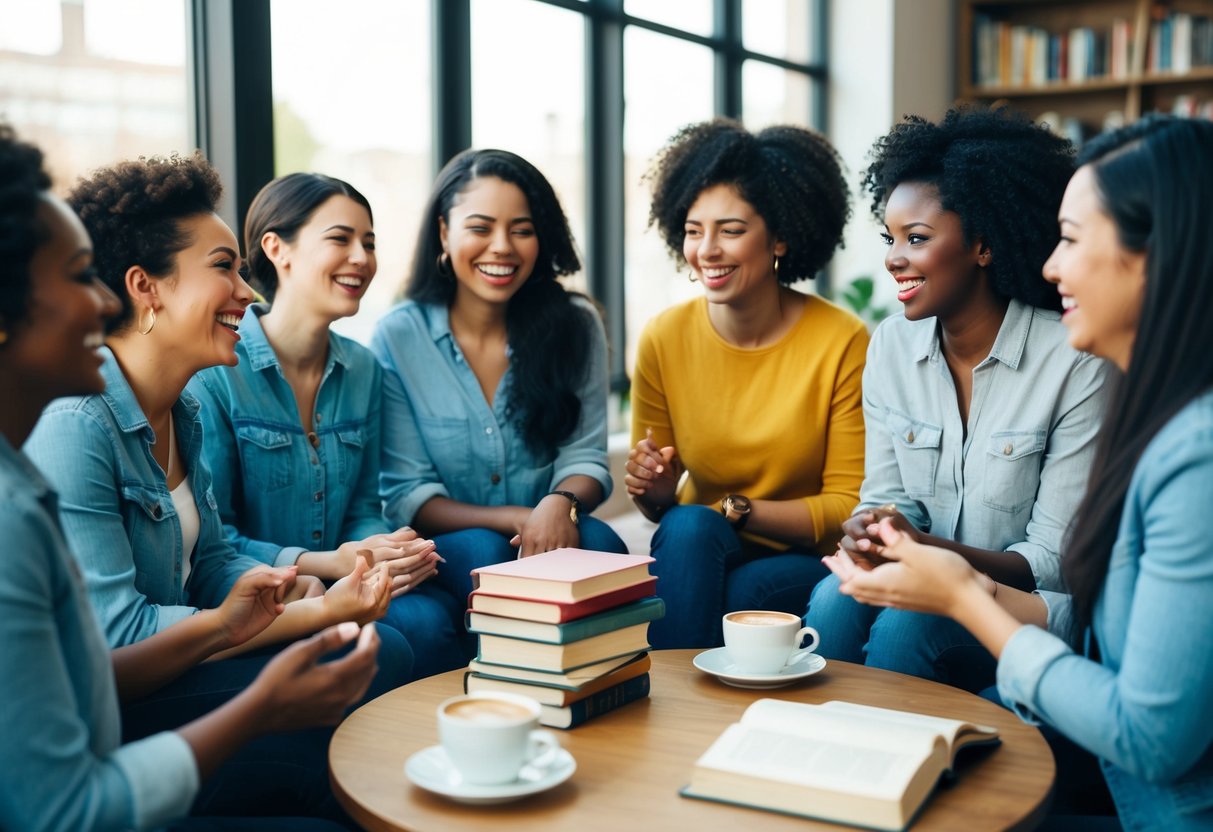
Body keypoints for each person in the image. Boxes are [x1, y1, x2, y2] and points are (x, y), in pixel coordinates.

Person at [827, 114, 1213, 831]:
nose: (1047, 265)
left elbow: (1151, 738)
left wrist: (966, 597)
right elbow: (1095, 628)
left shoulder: (1192, 453)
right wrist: (958, 585)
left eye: (1070, 240)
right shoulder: (1159, 414)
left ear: (1153, 254)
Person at [0, 123, 380, 831]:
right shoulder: (72, 430)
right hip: (123, 714)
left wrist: (280, 595)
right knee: (323, 747)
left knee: (367, 678)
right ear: (147, 289)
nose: (102, 302)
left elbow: (208, 563)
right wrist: (298, 619)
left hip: (136, 691)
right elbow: (113, 647)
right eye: (80, 278)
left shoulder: (185, 410)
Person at [804, 106, 1109, 690]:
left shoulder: (1073, 360)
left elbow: (1053, 563)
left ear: (983, 246)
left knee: (905, 627)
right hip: (922, 575)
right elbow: (889, 497)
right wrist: (877, 527)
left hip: (1021, 608)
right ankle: (825, 761)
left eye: (916, 239)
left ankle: (897, 772)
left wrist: (929, 553)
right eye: (890, 238)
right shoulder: (891, 346)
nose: (895, 258)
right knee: (833, 598)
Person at [188, 173, 464, 678]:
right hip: (264, 594)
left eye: (370, 243)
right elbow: (217, 539)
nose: (361, 257)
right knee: (402, 636)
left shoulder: (364, 369)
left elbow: (364, 507)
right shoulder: (217, 373)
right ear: (277, 248)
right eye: (340, 239)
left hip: (346, 576)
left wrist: (380, 550)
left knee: (432, 616)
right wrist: (330, 561)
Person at [625, 118, 867, 649]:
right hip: (700, 538)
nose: (707, 249)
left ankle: (674, 709)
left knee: (744, 587)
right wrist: (656, 491)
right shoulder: (664, 338)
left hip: (803, 555)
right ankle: (678, 707)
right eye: (693, 230)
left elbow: (847, 508)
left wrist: (738, 509)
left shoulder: (842, 340)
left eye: (730, 230)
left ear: (780, 236)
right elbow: (663, 510)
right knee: (688, 529)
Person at [373, 148, 627, 608]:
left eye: (522, 230)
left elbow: (585, 454)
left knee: (604, 546)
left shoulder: (576, 322)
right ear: (445, 233)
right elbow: (409, 492)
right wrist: (518, 517)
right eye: (480, 227)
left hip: (555, 518)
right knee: (487, 553)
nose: (502, 247)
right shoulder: (398, 335)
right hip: (446, 542)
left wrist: (560, 501)